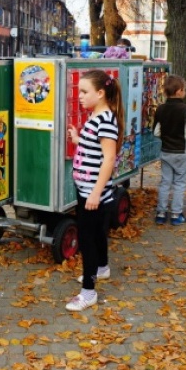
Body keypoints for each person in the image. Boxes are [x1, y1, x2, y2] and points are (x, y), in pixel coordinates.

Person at [66, 69, 124, 311]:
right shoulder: (96, 117)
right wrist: (79, 139)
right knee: (97, 232)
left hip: (93, 193)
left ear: (100, 93)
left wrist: (95, 194)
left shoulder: (105, 120)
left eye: (84, 92)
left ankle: (88, 292)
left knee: (87, 240)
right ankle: (102, 268)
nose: (79, 96)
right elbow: (95, 149)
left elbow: (108, 160)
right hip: (87, 190)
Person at [152, 75, 186, 225]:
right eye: (184, 89)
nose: (185, 92)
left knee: (165, 182)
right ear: (179, 91)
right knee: (179, 183)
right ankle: (176, 214)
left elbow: (156, 131)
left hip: (166, 151)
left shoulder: (160, 109)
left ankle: (161, 213)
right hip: (181, 152)